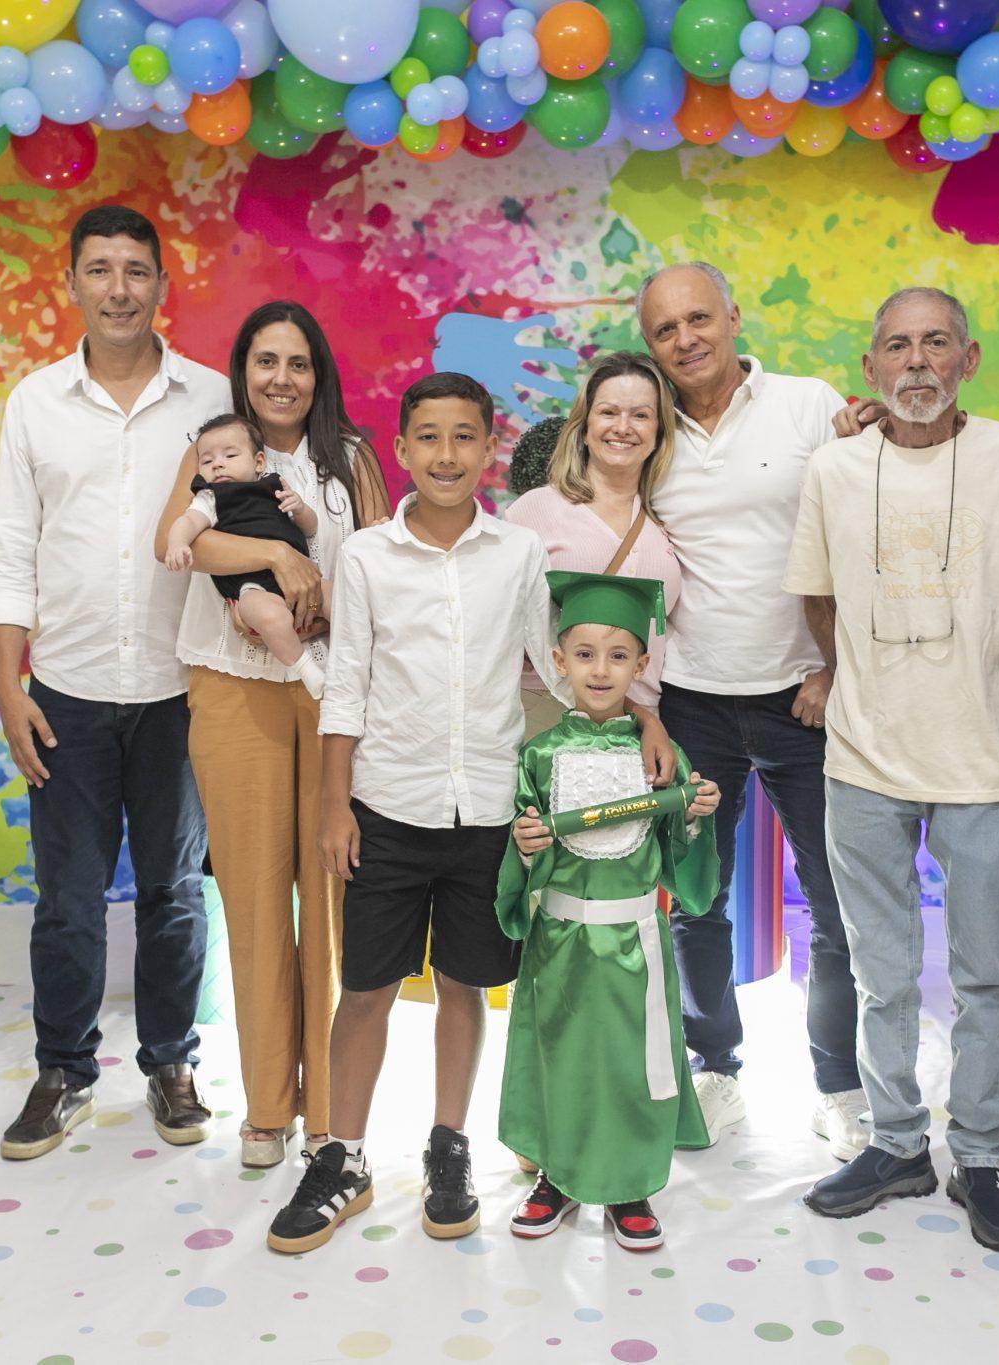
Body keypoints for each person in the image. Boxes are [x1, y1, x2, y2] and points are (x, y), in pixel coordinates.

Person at [266, 373, 673, 1254]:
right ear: (402, 449)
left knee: (464, 982)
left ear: (491, 448)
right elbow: (346, 687)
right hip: (386, 805)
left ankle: (448, 1146)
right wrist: (334, 806)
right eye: (428, 436)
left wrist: (642, 713)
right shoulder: (367, 556)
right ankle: (341, 1156)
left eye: (464, 437)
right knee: (365, 989)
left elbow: (554, 662)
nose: (446, 454)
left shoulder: (517, 553)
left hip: (488, 811)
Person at [785, 289, 999, 1258]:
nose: (915, 362)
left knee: (985, 977)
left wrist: (986, 672)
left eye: (935, 342)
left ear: (967, 358)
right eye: (896, 345)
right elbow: (817, 596)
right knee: (880, 972)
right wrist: (863, 679)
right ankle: (897, 1143)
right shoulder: (832, 467)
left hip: (985, 760)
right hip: (864, 758)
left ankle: (980, 1156)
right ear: (870, 368)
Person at [0, 204, 227, 1161]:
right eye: (100, 270)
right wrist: (9, 686)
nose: (118, 289)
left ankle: (171, 1062)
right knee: (68, 896)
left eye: (135, 270)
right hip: (69, 691)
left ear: (162, 283)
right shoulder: (34, 403)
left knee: (174, 890)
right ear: (73, 283)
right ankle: (64, 1070)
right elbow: (12, 550)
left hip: (181, 688)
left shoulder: (210, 398)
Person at [636, 261, 864, 1159]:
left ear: (733, 316)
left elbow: (865, 534)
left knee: (836, 901)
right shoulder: (646, 428)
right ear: (649, 344)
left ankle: (839, 1084)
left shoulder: (809, 406)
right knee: (697, 900)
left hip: (804, 696)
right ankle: (715, 1068)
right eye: (665, 329)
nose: (686, 339)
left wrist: (837, 665)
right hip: (693, 700)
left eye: (699, 318)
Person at [154, 301, 390, 1170]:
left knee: (331, 899)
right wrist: (280, 558)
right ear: (242, 371)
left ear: (318, 373)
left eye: (297, 363)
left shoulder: (350, 458)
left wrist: (320, 595)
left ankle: (330, 1107)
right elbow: (180, 542)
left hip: (332, 695)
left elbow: (383, 559)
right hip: (232, 689)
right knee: (252, 899)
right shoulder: (214, 448)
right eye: (265, 361)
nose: (281, 379)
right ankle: (266, 1105)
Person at [498, 571, 722, 1252]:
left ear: (641, 665)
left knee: (629, 1063)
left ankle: (629, 1183)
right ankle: (557, 1176)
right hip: (561, 942)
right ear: (558, 661)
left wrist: (694, 816)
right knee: (561, 1058)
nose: (601, 670)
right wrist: (526, 847)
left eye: (619, 655)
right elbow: (520, 856)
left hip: (634, 943)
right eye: (585, 654)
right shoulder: (538, 755)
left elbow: (681, 858)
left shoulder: (661, 757)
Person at [504, 352, 683, 739]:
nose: (623, 427)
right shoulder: (537, 509)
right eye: (608, 412)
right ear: (584, 426)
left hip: (641, 724)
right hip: (549, 714)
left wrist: (647, 720)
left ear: (659, 431)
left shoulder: (667, 518)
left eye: (640, 415)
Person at [161, 413, 323, 696]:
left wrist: (299, 508)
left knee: (339, 598)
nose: (217, 464)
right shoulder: (211, 497)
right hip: (253, 585)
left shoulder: (275, 487)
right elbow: (187, 522)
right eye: (207, 461)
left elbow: (311, 528)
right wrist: (177, 544)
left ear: (258, 462)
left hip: (301, 580)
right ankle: (307, 669)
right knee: (271, 619)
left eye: (230, 455)